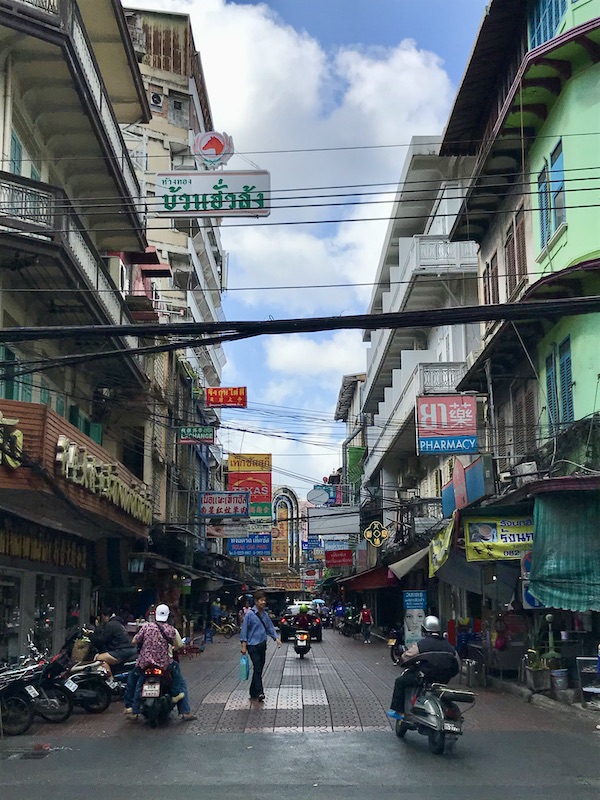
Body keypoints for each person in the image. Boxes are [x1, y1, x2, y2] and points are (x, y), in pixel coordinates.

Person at [125, 603, 196, 721]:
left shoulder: (146, 627)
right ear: (168, 616)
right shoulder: (170, 629)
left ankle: (132, 709)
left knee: (135, 681)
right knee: (179, 679)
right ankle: (183, 707)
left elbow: (134, 641)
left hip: (145, 663)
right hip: (163, 664)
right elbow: (178, 645)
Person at [387, 615, 460, 721]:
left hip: (425, 677)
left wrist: (400, 661)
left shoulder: (422, 644)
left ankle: (400, 712)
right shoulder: (449, 646)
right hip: (443, 679)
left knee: (400, 681)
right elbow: (457, 663)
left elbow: (407, 656)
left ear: (424, 629)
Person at [240, 590, 281, 702]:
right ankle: (260, 692)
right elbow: (244, 631)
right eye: (261, 600)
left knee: (259, 668)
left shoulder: (265, 615)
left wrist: (276, 638)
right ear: (256, 602)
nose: (263, 602)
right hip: (252, 645)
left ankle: (253, 691)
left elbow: (270, 627)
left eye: (264, 600)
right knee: (257, 667)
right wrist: (243, 646)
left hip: (262, 645)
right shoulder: (249, 615)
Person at [89, 608, 137, 677]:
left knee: (99, 658)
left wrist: (91, 636)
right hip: (129, 649)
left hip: (122, 651)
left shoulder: (111, 624)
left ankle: (110, 680)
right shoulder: (117, 622)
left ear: (104, 616)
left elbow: (102, 639)